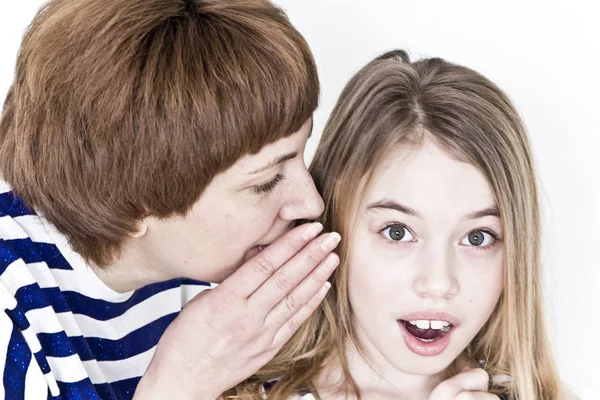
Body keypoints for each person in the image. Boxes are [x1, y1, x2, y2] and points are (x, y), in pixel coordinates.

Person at [0, 0, 341, 399]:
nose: (312, 203)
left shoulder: (201, 262)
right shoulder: (12, 313)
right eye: (266, 181)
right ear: (130, 204)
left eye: (302, 151)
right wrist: (182, 382)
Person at [227, 50, 575, 399]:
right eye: (398, 232)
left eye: (477, 237)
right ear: (333, 224)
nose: (438, 283)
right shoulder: (215, 386)